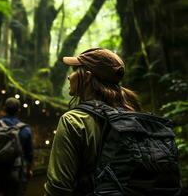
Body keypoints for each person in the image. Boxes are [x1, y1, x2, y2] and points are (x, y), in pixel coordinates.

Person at [44, 48, 181, 195]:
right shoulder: (135, 117)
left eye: (74, 70)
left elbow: (58, 188)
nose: (69, 77)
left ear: (88, 77)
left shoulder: (74, 121)